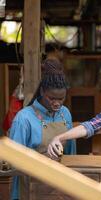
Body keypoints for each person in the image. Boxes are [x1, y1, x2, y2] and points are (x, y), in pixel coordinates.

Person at [9, 59, 76, 200]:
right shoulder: (24, 118)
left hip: (59, 191)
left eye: (61, 98)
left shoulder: (65, 114)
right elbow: (12, 161)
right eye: (52, 98)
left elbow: (71, 156)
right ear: (42, 91)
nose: (57, 103)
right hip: (28, 190)